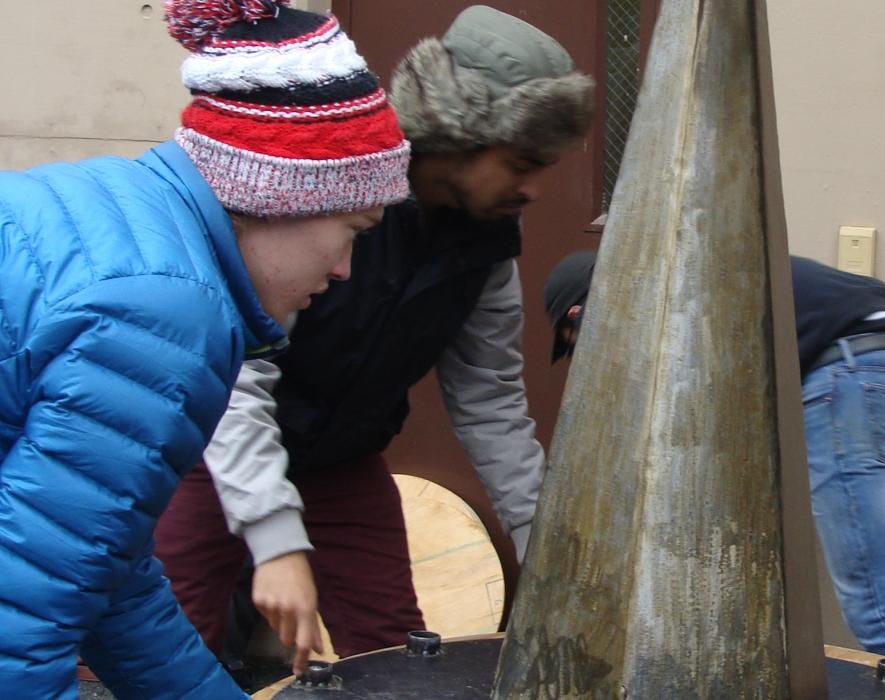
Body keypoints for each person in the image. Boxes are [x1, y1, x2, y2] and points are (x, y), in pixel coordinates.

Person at [153, 5, 594, 671]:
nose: (533, 188)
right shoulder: (330, 198)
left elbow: (492, 405)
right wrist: (275, 542)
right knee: (163, 638)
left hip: (341, 464)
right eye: (521, 163)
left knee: (395, 651)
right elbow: (242, 371)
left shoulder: (489, 247)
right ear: (458, 133)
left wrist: (545, 546)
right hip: (212, 448)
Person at [0, 0, 410, 696]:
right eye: (353, 229)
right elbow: (16, 637)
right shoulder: (165, 311)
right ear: (284, 194)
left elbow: (107, 573)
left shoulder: (125, 215)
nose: (344, 270)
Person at [542, 251, 885, 673]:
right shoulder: (694, 271)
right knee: (872, 599)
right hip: (879, 358)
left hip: (845, 371)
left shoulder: (651, 296)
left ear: (580, 314)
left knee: (876, 605)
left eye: (575, 342)